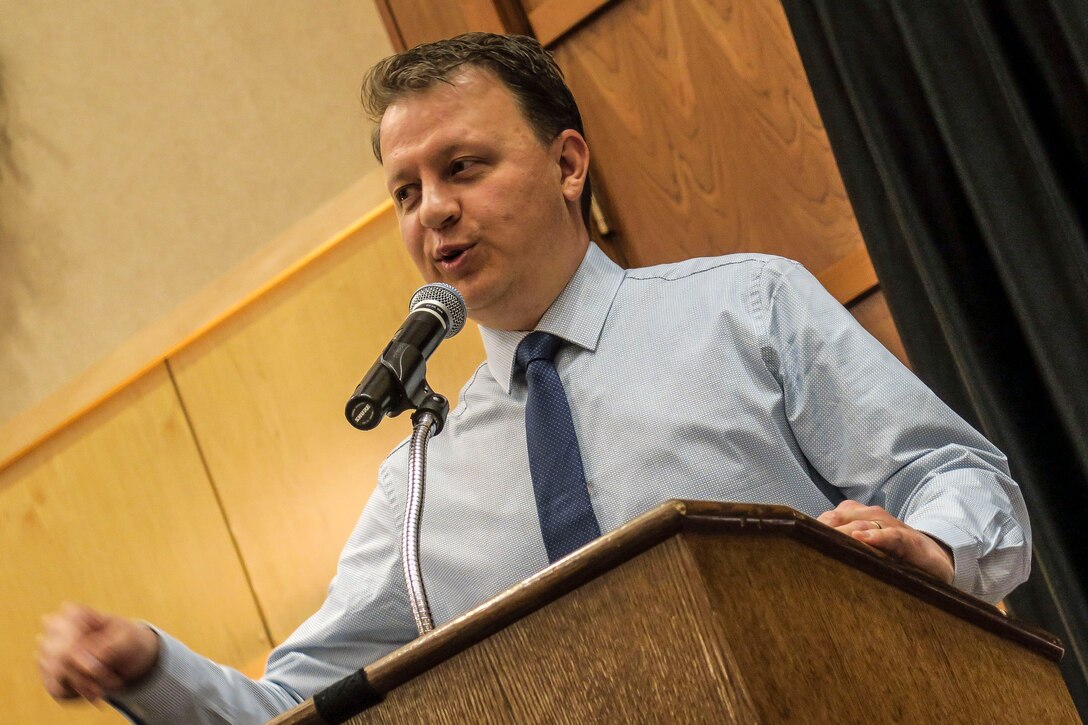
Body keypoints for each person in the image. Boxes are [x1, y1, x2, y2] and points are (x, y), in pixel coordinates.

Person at [37, 32, 1030, 724]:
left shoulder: (745, 309)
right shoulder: (421, 482)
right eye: (405, 190)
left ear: (565, 164)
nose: (433, 211)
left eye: (463, 167)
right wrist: (151, 665)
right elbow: (300, 707)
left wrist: (928, 543)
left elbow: (964, 482)